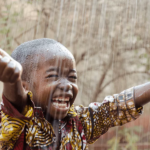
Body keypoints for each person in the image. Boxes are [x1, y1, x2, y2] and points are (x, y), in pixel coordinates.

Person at [0, 38, 149, 150]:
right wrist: (13, 81)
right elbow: (15, 109)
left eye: (72, 77)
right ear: (25, 87)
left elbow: (116, 107)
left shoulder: (79, 123)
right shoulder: (18, 125)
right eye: (53, 76)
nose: (67, 85)